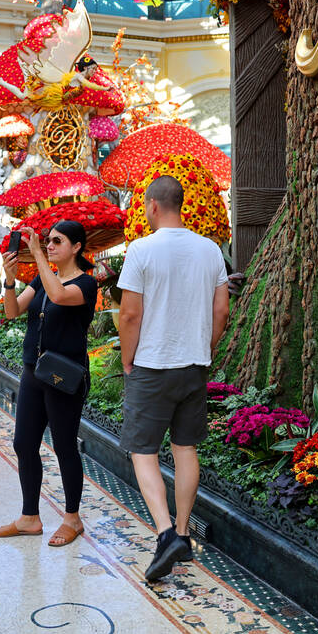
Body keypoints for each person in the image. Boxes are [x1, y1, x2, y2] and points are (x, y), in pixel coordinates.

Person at [118, 176, 230, 581]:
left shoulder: (141, 250)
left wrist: (128, 360)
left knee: (142, 450)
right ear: (181, 205)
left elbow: (130, 314)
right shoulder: (210, 250)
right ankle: (183, 531)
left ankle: (166, 534)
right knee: (185, 448)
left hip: (152, 365)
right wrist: (207, 347)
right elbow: (222, 312)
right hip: (193, 366)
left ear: (151, 205)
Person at [0, 221, 97, 547]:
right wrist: (9, 280)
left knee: (64, 446)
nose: (49, 246)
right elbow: (13, 311)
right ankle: (29, 517)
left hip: (64, 376)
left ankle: (72, 518)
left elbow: (59, 295)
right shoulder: (41, 278)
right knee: (23, 443)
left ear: (76, 247)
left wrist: (35, 254)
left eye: (57, 241)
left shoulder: (86, 284)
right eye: (47, 241)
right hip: (34, 371)